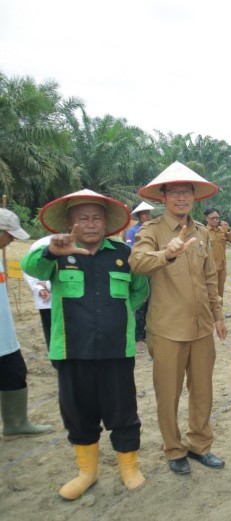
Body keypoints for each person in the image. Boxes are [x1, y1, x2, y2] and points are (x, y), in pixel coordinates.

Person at [21, 190, 148, 500]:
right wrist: (52, 251)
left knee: (123, 410)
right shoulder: (57, 252)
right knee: (78, 412)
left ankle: (128, 467)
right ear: (70, 223)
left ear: (106, 223)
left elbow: (139, 291)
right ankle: (86, 472)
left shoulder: (123, 254)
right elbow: (31, 268)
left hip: (117, 350)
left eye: (96, 218)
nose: (90, 224)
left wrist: (119, 319)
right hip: (71, 350)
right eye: (83, 218)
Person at [129, 161, 228, 475]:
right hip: (168, 330)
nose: (182, 198)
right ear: (163, 196)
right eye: (175, 193)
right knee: (168, 395)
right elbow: (137, 262)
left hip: (201, 329)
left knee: (203, 392)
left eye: (187, 192)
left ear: (194, 197)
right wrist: (167, 254)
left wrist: (218, 316)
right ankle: (174, 450)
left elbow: (210, 277)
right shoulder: (152, 231)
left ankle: (200, 445)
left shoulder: (201, 233)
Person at [0, 209, 53, 440]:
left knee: (14, 372)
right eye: (9, 235)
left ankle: (16, 423)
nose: (11, 240)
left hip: (5, 333)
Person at [124, 202, 155, 353]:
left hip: (154, 270)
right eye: (144, 213)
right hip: (140, 270)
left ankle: (149, 334)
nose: (147, 215)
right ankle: (138, 338)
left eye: (148, 213)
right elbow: (130, 251)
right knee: (140, 306)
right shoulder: (132, 232)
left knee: (153, 303)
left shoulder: (154, 230)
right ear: (139, 215)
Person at [204, 207, 231, 314]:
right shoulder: (203, 232)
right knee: (210, 292)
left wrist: (228, 229)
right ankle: (209, 313)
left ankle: (219, 313)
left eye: (217, 218)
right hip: (210, 268)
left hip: (222, 267)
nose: (215, 220)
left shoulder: (222, 230)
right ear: (206, 218)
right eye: (212, 218)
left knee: (220, 291)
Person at [22, 235, 52, 354]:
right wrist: (39, 287)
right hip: (48, 302)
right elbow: (28, 269)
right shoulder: (41, 244)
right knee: (53, 334)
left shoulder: (83, 243)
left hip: (74, 302)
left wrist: (45, 284)